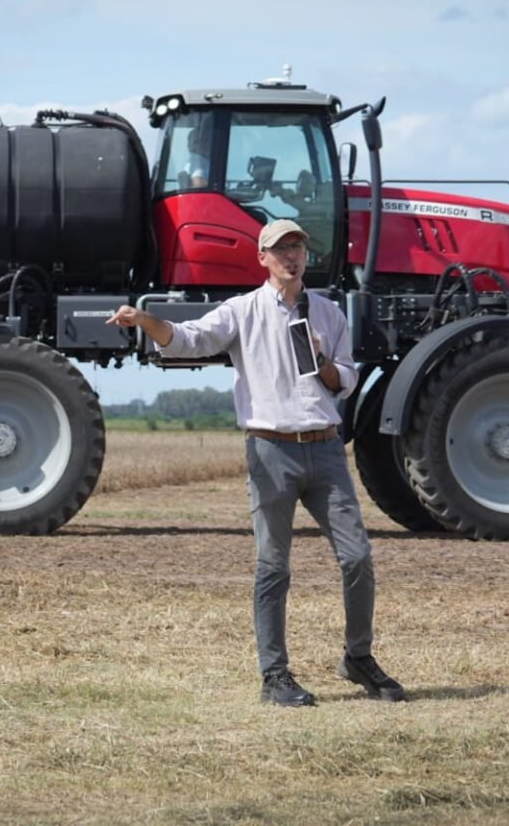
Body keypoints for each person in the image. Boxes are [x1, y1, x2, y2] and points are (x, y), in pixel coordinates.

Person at [106, 219, 407, 707]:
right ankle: (275, 677)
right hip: (271, 450)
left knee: (357, 557)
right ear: (262, 258)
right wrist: (145, 320)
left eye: (298, 248)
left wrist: (322, 362)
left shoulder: (329, 313)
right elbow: (186, 339)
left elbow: (345, 379)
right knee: (273, 566)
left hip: (326, 449)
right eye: (281, 249)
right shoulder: (242, 312)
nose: (292, 256)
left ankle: (358, 657)